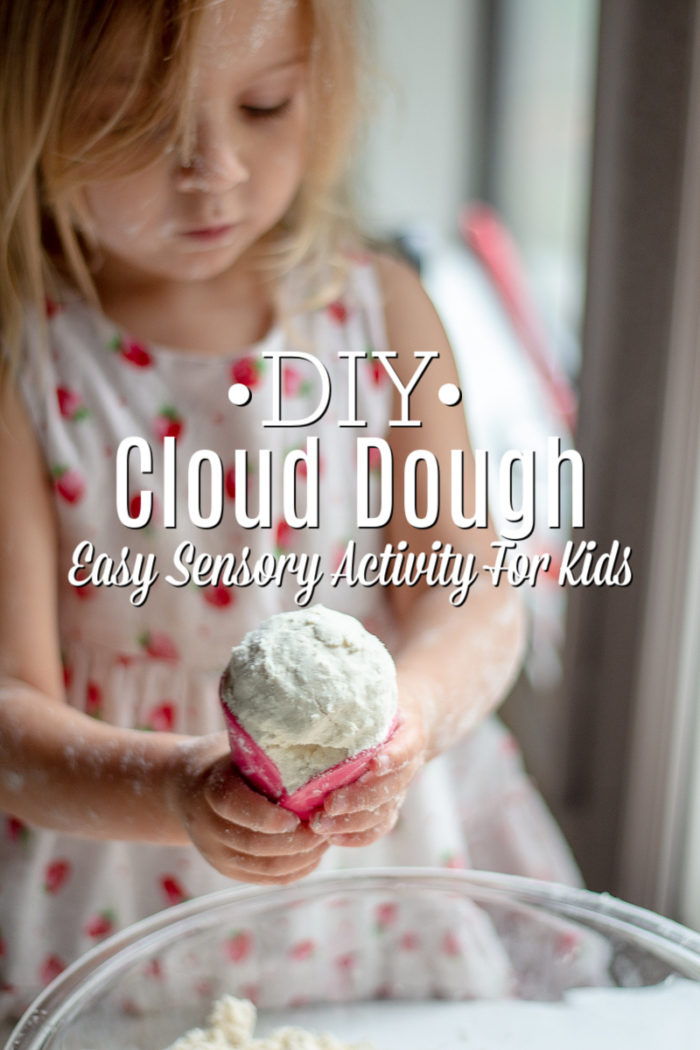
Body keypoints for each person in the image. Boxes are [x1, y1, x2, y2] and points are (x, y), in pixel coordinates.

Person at [0, 0, 580, 1022]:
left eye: (265, 106)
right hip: (121, 894)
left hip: (385, 881)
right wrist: (180, 788)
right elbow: (11, 712)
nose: (212, 168)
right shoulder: (25, 362)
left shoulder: (378, 311)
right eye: (133, 123)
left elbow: (478, 595)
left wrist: (414, 714)